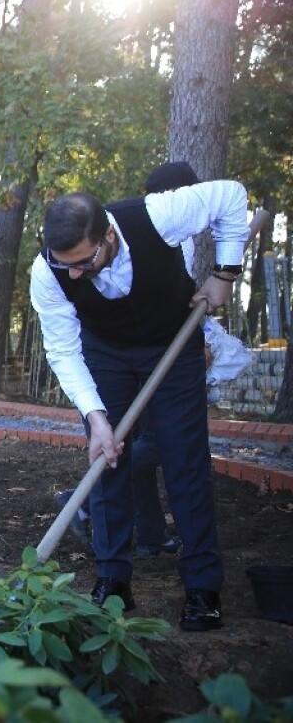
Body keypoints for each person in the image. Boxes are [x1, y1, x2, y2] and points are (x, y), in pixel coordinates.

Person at [30, 178, 249, 631]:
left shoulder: (156, 215)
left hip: (173, 345)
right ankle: (113, 580)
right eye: (63, 264)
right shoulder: (46, 272)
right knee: (108, 463)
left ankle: (203, 586)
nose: (74, 274)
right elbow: (63, 350)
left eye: (84, 263)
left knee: (184, 462)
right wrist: (97, 419)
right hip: (105, 355)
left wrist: (226, 272)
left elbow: (231, 195)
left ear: (108, 235)